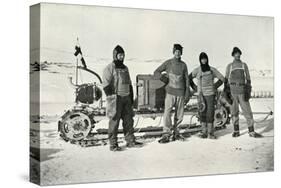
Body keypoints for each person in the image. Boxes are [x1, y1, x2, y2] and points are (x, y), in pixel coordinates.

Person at [102, 45, 143, 151]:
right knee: (114, 121)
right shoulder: (109, 68)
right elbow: (106, 84)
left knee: (128, 120)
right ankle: (113, 144)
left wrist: (131, 96)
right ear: (115, 55)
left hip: (126, 98)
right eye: (119, 55)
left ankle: (130, 141)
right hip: (116, 99)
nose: (121, 57)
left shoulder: (125, 68)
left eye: (123, 55)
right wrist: (111, 97)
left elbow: (129, 82)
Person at [154, 44, 190, 143]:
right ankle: (166, 134)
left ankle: (176, 133)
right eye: (176, 51)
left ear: (181, 53)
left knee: (180, 114)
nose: (177, 53)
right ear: (173, 52)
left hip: (181, 93)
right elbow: (156, 72)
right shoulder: (168, 63)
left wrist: (187, 91)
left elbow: (186, 79)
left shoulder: (183, 65)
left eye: (179, 52)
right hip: (170, 93)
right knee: (167, 113)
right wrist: (163, 78)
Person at [224, 47, 262, 138]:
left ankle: (251, 131)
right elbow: (226, 80)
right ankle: (236, 131)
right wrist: (227, 93)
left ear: (240, 54)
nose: (237, 55)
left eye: (238, 53)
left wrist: (247, 92)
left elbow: (248, 79)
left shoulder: (244, 65)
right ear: (233, 55)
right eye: (235, 53)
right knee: (234, 112)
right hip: (233, 92)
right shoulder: (230, 66)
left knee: (247, 111)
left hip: (242, 91)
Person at [189, 52, 225, 139]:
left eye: (205, 58)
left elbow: (222, 78)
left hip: (210, 95)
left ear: (207, 59)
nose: (203, 60)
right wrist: (195, 88)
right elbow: (188, 78)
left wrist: (214, 87)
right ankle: (203, 132)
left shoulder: (212, 70)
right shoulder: (197, 70)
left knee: (210, 113)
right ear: (200, 60)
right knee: (202, 113)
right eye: (202, 59)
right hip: (201, 95)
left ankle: (210, 133)